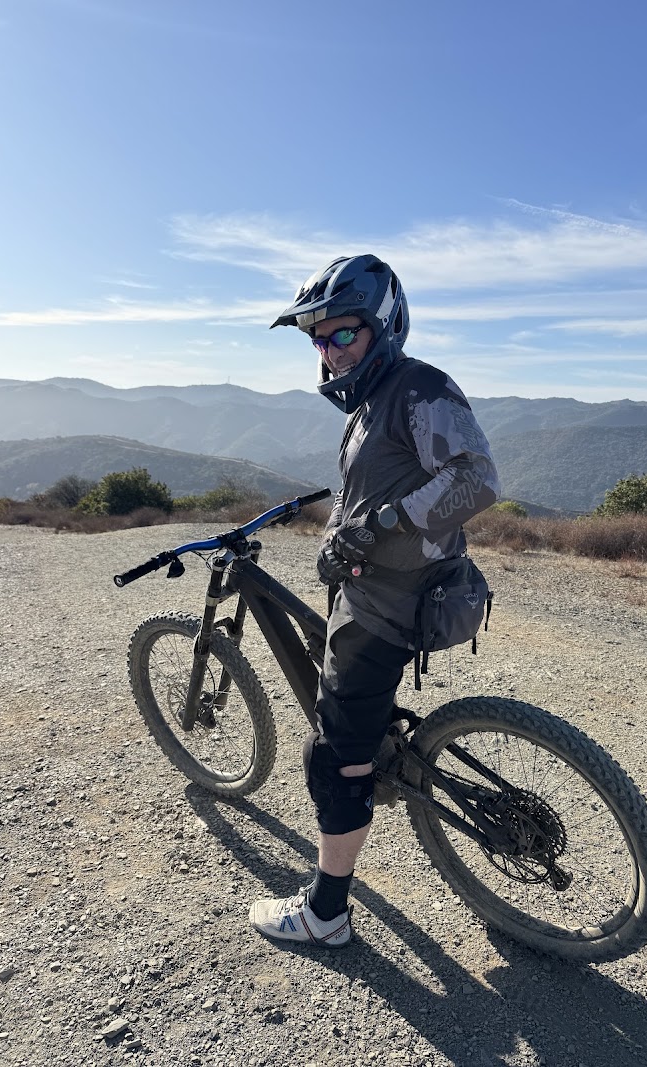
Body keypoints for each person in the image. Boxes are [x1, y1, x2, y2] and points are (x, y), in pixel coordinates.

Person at [249, 254, 500, 946]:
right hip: (374, 592)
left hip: (391, 604)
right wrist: (339, 538)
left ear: (383, 325)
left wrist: (384, 524)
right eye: (318, 340)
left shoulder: (419, 388)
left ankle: (326, 912)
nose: (328, 353)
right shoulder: (372, 400)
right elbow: (363, 493)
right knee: (355, 722)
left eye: (342, 334)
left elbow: (477, 478)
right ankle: (378, 759)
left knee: (332, 757)